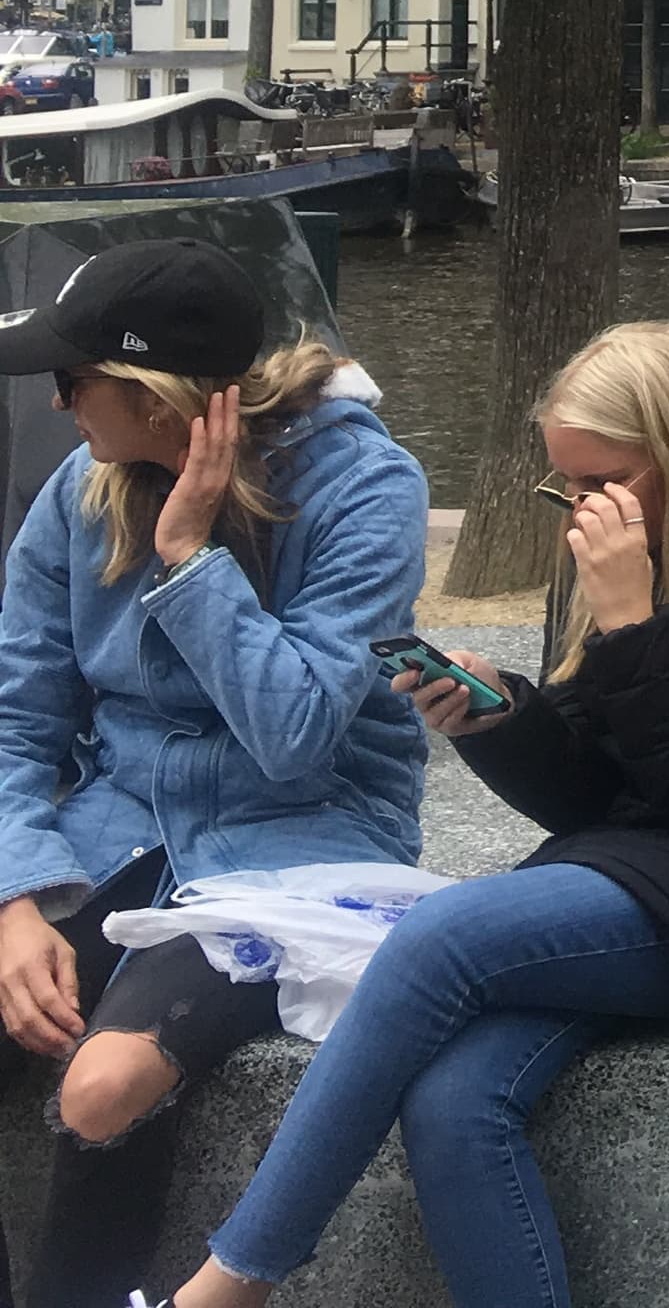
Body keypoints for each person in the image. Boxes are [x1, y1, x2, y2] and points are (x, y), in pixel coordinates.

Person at [138, 321, 669, 1308]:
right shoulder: (628, 532)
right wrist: (503, 716)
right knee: (453, 1098)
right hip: (666, 857)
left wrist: (632, 621)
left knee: (442, 937)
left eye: (603, 481)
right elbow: (596, 793)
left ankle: (233, 1282)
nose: (582, 509)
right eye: (569, 485)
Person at [0, 242, 426, 1308]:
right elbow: (17, 719)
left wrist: (191, 558)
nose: (55, 402)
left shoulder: (366, 485)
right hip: (115, 831)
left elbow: (295, 733)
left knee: (106, 1083)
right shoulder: (79, 489)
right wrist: (16, 897)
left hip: (299, 843)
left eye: (73, 380)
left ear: (156, 397)